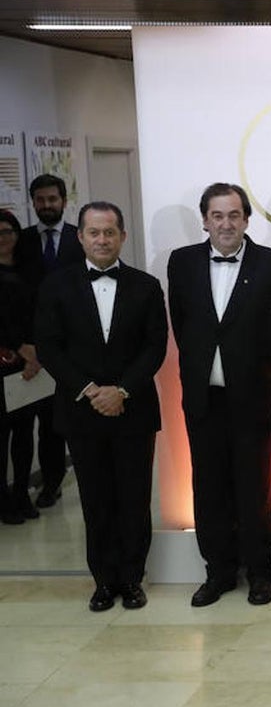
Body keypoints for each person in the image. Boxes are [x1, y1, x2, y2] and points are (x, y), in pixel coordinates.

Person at [168, 183, 271, 607]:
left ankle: (260, 571)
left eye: (234, 215)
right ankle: (218, 572)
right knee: (207, 486)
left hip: (254, 395)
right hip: (203, 397)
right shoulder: (182, 262)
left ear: (246, 219)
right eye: (217, 216)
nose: (226, 223)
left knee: (255, 485)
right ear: (204, 219)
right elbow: (183, 325)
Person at [34, 201, 167, 611]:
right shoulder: (56, 286)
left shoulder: (146, 286)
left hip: (134, 409)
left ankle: (132, 579)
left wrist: (121, 391)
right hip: (81, 410)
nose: (102, 239)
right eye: (94, 232)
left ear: (122, 236)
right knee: (95, 500)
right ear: (81, 237)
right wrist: (92, 390)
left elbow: (154, 346)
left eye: (110, 232)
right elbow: (49, 347)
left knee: (133, 497)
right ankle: (103, 581)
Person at [14, 174, 82, 509]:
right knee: (31, 424)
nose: (46, 206)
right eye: (40, 200)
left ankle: (58, 481)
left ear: (64, 200)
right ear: (33, 202)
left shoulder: (79, 238)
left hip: (72, 350)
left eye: (52, 199)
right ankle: (44, 486)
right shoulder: (21, 241)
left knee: (62, 422)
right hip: (30, 350)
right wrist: (31, 348)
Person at [0, 209, 39, 524]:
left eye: (9, 231)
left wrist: (34, 353)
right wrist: (17, 347)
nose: (4, 238)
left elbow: (38, 312)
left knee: (25, 434)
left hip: (29, 364)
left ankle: (22, 494)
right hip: (4, 360)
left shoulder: (28, 269)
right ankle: (3, 501)